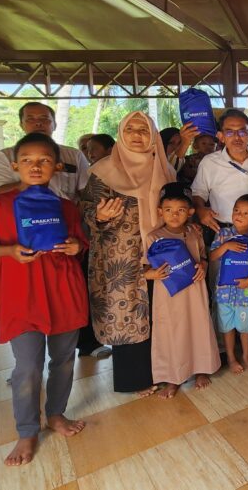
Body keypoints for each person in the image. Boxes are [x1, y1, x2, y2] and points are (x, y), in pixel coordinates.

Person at [0, 132, 88, 466]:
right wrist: (9, 251)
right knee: (28, 365)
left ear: (56, 166)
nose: (36, 166)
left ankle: (56, 414)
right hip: (21, 296)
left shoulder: (65, 206)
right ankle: (27, 430)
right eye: (27, 160)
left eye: (44, 160)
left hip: (63, 291)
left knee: (64, 359)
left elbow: (80, 242)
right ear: (15, 165)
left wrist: (76, 246)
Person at [81, 111, 176, 395]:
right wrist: (99, 216)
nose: (137, 135)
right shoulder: (103, 171)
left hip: (159, 251)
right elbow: (85, 210)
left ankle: (162, 370)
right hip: (119, 257)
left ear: (153, 136)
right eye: (130, 129)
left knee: (158, 313)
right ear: (121, 134)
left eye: (144, 130)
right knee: (128, 315)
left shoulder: (165, 170)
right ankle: (133, 379)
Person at [143, 183, 220, 398]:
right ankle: (173, 377)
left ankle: (202, 369)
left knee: (198, 326)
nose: (174, 215)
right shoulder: (153, 237)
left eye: (180, 210)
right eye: (168, 210)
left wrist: (203, 265)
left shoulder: (194, 232)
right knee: (172, 332)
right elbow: (144, 269)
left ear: (191, 212)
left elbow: (202, 257)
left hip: (195, 290)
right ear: (160, 211)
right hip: (169, 295)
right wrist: (152, 274)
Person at [192, 109, 248, 237]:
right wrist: (200, 210)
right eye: (229, 132)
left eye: (242, 131)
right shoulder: (209, 162)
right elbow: (198, 192)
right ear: (221, 137)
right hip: (221, 231)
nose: (237, 137)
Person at [211, 194, 248, 372]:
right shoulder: (223, 234)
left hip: (245, 292)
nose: (239, 215)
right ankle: (230, 357)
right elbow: (212, 256)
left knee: (245, 327)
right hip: (224, 292)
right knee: (226, 326)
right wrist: (226, 246)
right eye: (237, 210)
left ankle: (246, 355)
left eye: (246, 213)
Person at [0, 102, 89, 202]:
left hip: (65, 212)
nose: (38, 123)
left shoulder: (75, 155)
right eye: (30, 119)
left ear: (55, 125)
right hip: (20, 212)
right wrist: (26, 184)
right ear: (21, 125)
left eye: (44, 118)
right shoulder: (4, 156)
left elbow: (88, 193)